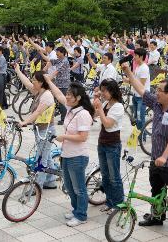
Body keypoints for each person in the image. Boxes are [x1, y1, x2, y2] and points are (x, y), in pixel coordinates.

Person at [121, 62, 168, 242]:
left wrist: (164, 157)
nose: (156, 92)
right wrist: (129, 72)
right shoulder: (157, 104)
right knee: (156, 190)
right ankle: (157, 217)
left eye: (160, 90)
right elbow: (141, 89)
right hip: (156, 159)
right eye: (157, 89)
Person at [44, 75, 94, 227]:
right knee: (69, 187)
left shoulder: (83, 114)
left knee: (79, 188)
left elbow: (83, 137)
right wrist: (49, 82)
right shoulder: (71, 109)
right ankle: (76, 209)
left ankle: (81, 215)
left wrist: (63, 136)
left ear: (77, 98)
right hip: (66, 155)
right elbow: (58, 94)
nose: (66, 97)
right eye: (67, 94)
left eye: (69, 95)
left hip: (78, 156)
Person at [14, 64, 57, 189]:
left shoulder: (47, 95)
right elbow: (26, 83)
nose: (32, 81)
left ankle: (37, 186)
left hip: (47, 131)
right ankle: (51, 181)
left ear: (41, 83)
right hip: (40, 129)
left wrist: (24, 122)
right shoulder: (38, 91)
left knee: (41, 159)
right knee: (46, 156)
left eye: (34, 80)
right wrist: (17, 71)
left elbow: (38, 112)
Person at [93, 79, 125, 214]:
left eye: (105, 90)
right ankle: (109, 201)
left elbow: (107, 124)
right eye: (102, 90)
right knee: (105, 176)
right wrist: (96, 102)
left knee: (114, 176)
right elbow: (94, 114)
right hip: (102, 142)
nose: (103, 93)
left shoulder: (118, 106)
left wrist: (99, 108)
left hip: (113, 144)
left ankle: (118, 204)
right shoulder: (105, 103)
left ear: (112, 91)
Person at [123, 48, 150, 133]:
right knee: (136, 118)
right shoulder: (138, 66)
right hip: (135, 95)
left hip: (142, 97)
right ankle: (138, 135)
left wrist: (129, 79)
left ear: (141, 57)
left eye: (136, 56)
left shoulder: (144, 68)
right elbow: (133, 78)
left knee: (140, 118)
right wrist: (126, 78)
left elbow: (140, 84)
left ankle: (142, 137)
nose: (134, 58)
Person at [42, 46, 71, 125]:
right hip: (58, 83)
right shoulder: (59, 60)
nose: (57, 55)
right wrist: (41, 53)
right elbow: (50, 60)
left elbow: (56, 72)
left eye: (58, 53)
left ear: (62, 53)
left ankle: (64, 119)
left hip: (64, 84)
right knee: (57, 100)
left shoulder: (65, 61)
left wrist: (48, 79)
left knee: (62, 102)